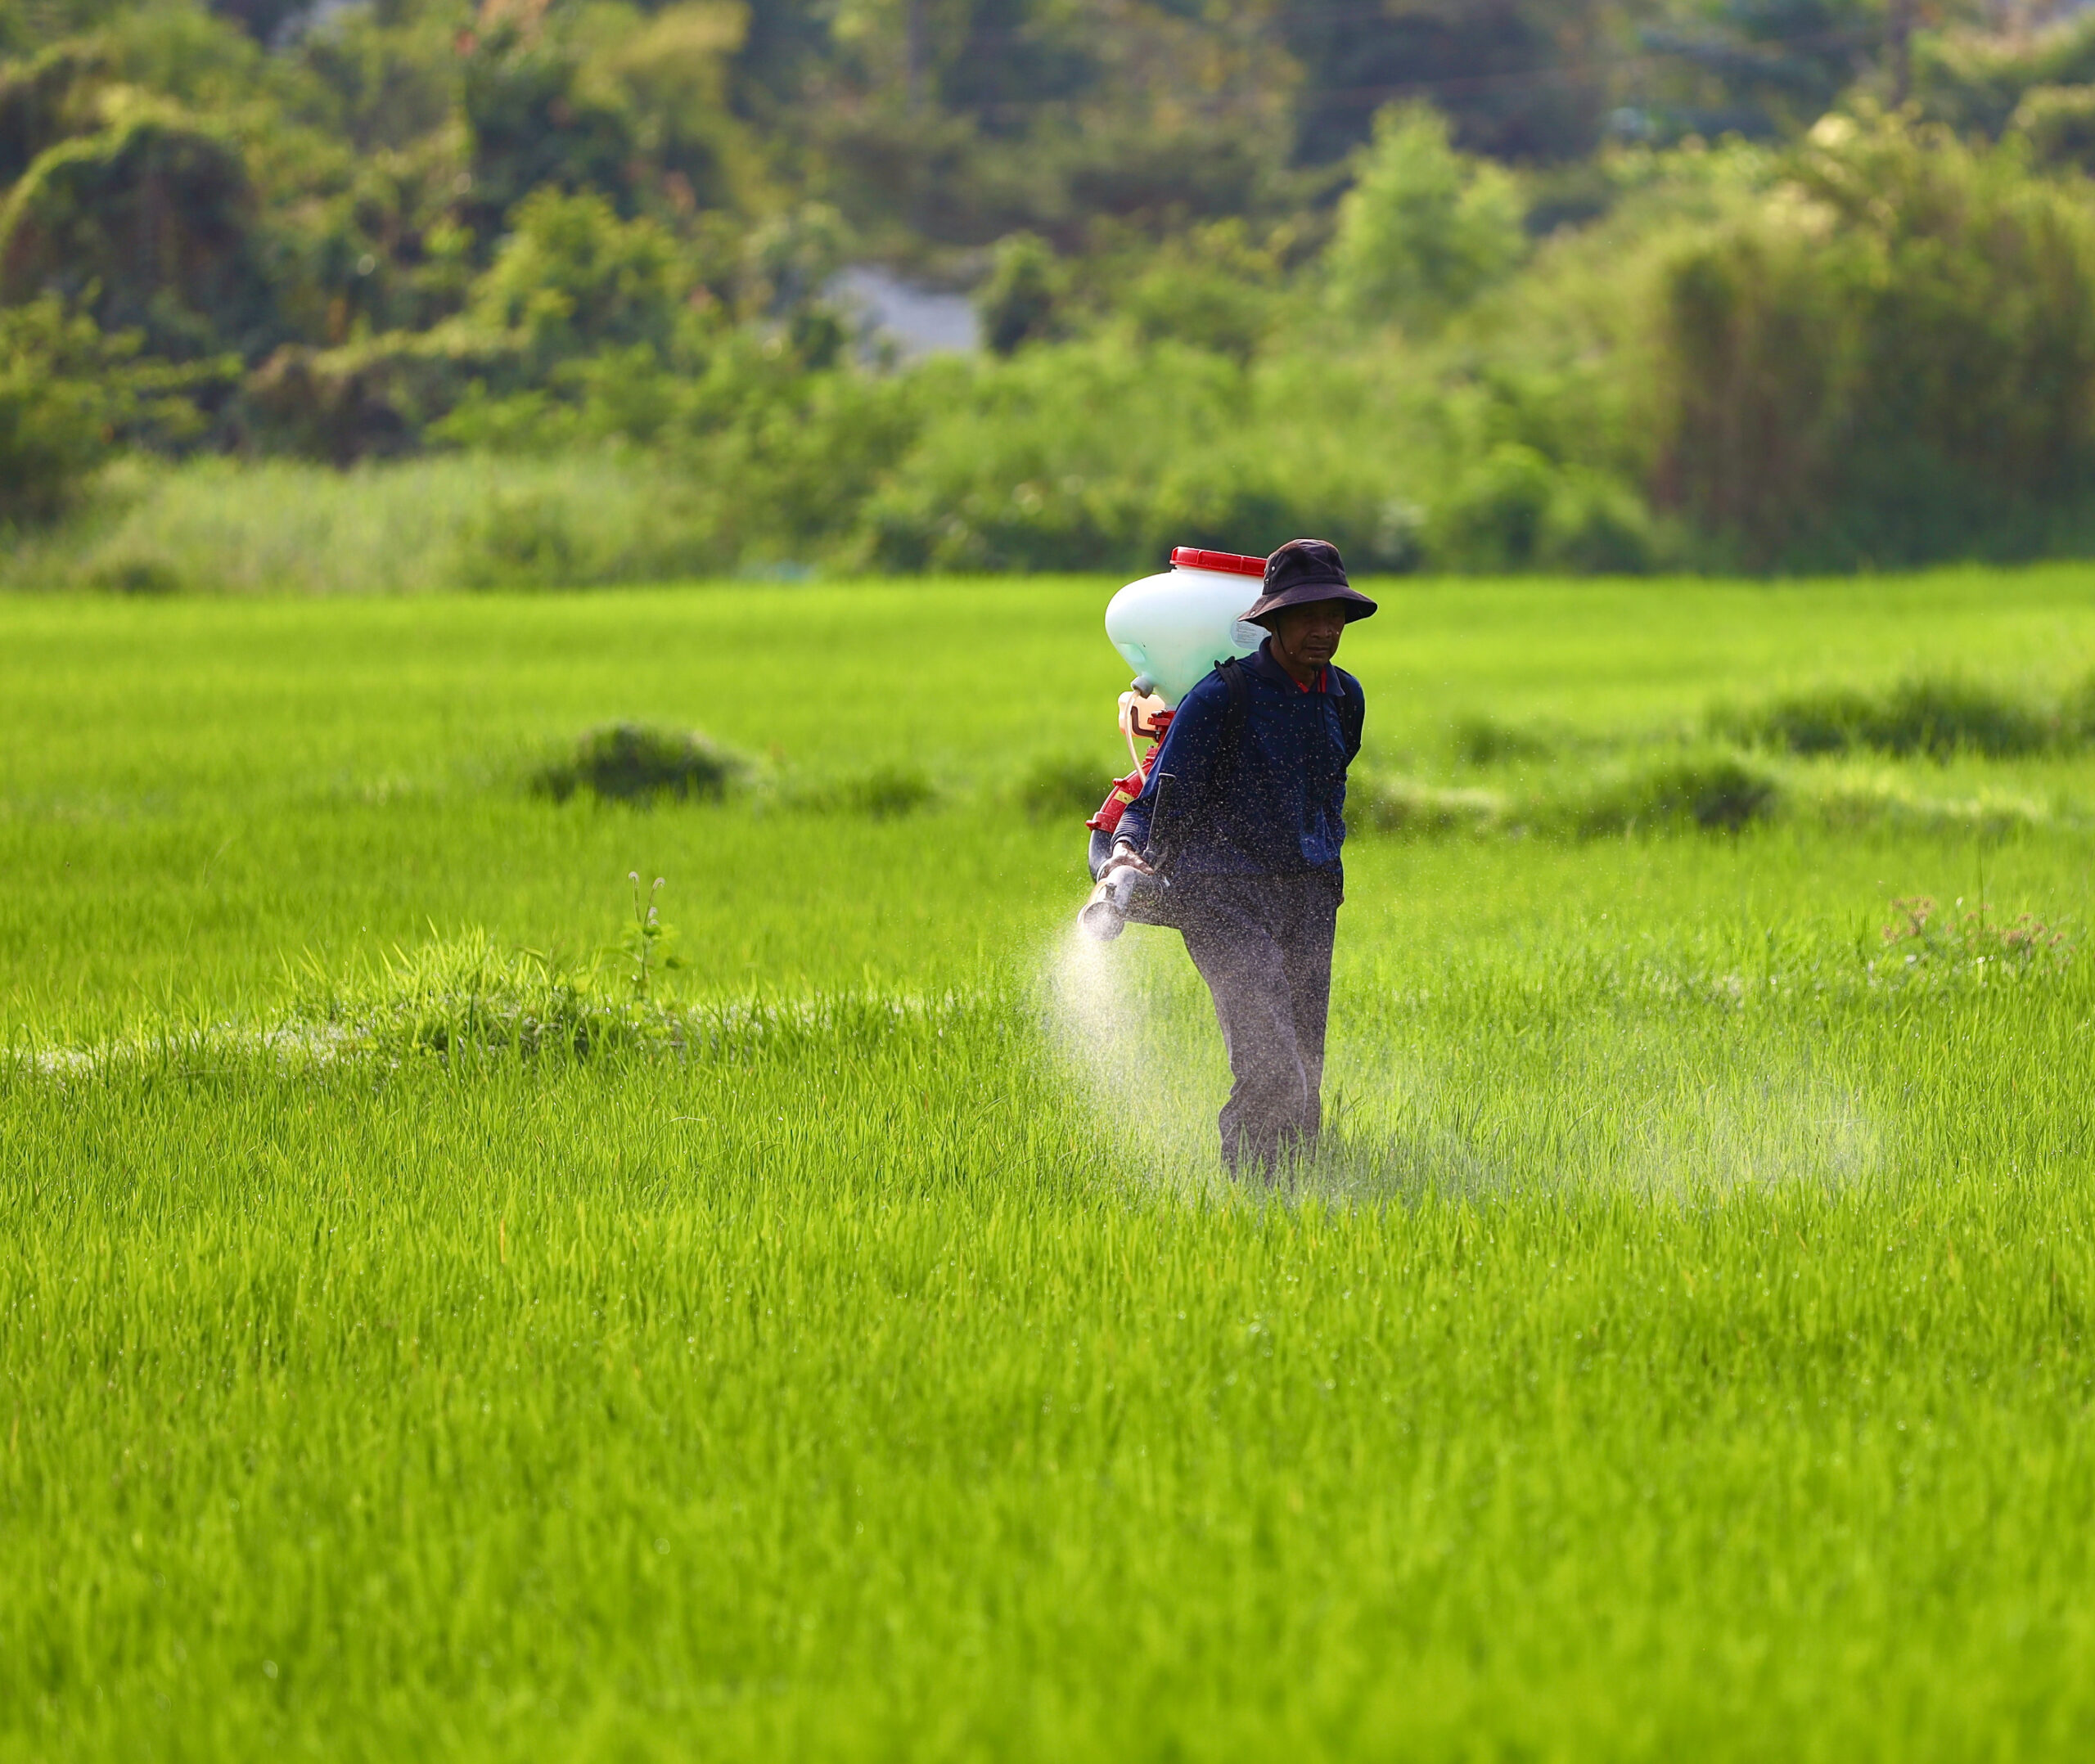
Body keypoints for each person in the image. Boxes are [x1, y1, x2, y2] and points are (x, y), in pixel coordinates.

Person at [1106, 538, 1376, 1177]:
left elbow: (1325, 792)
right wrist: (1125, 852)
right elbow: (1156, 796)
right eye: (1308, 615)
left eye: (1334, 615)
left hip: (1310, 895)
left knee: (1305, 1064)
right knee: (1271, 1062)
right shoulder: (1222, 696)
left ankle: (1302, 1189)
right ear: (1272, 620)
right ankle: (1253, 1193)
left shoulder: (1345, 696)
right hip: (1222, 896)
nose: (1324, 629)